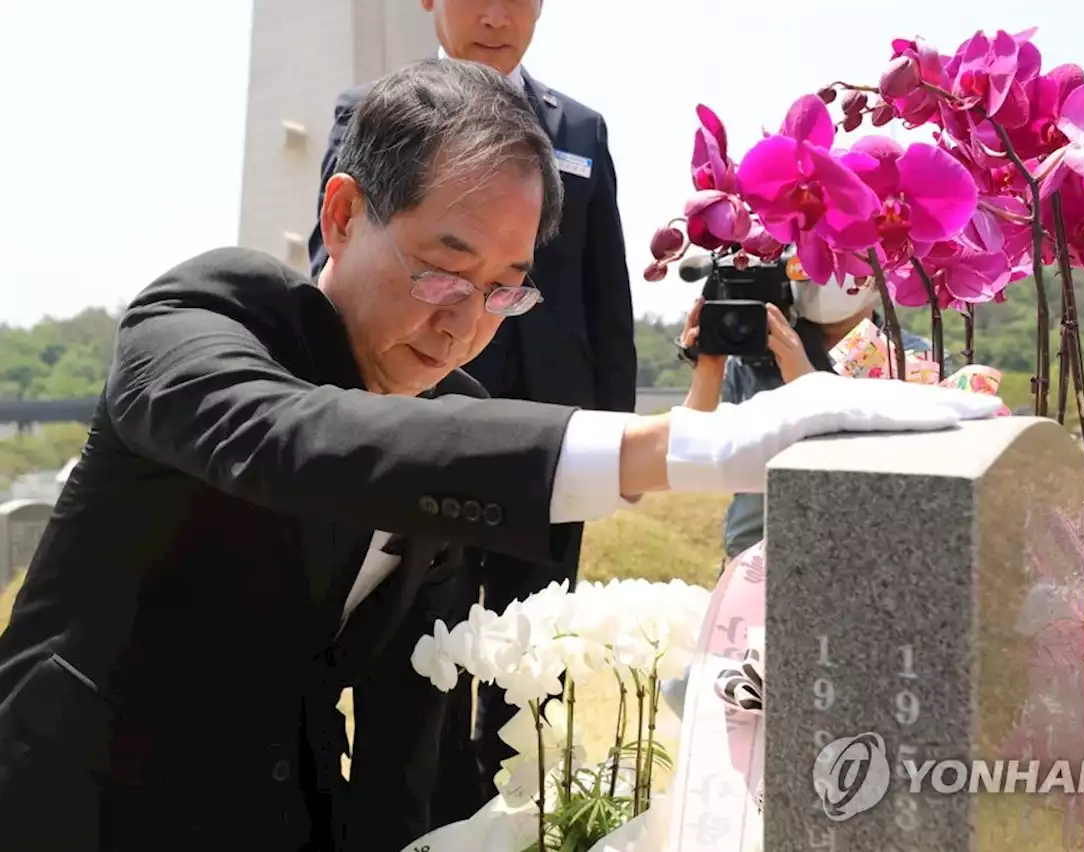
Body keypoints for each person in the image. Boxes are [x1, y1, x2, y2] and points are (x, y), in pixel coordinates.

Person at [0, 60, 998, 852]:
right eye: (444, 270)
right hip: (75, 809)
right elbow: (295, 441)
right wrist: (686, 447)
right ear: (343, 215)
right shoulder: (209, 316)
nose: (462, 325)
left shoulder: (460, 421)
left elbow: (413, 713)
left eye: (504, 289)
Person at [306, 0, 635, 802]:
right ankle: (429, 811)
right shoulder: (376, 111)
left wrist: (615, 436)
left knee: (541, 638)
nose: (496, 15)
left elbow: (606, 294)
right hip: (425, 426)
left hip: (551, 434)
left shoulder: (580, 129)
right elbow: (335, 267)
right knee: (425, 645)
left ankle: (526, 802)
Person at [678, 268, 936, 561]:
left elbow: (908, 470)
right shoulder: (757, 348)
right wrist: (709, 365)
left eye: (844, 257)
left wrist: (806, 381)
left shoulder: (912, 359)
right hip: (755, 557)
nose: (827, 271)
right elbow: (692, 451)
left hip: (862, 556)